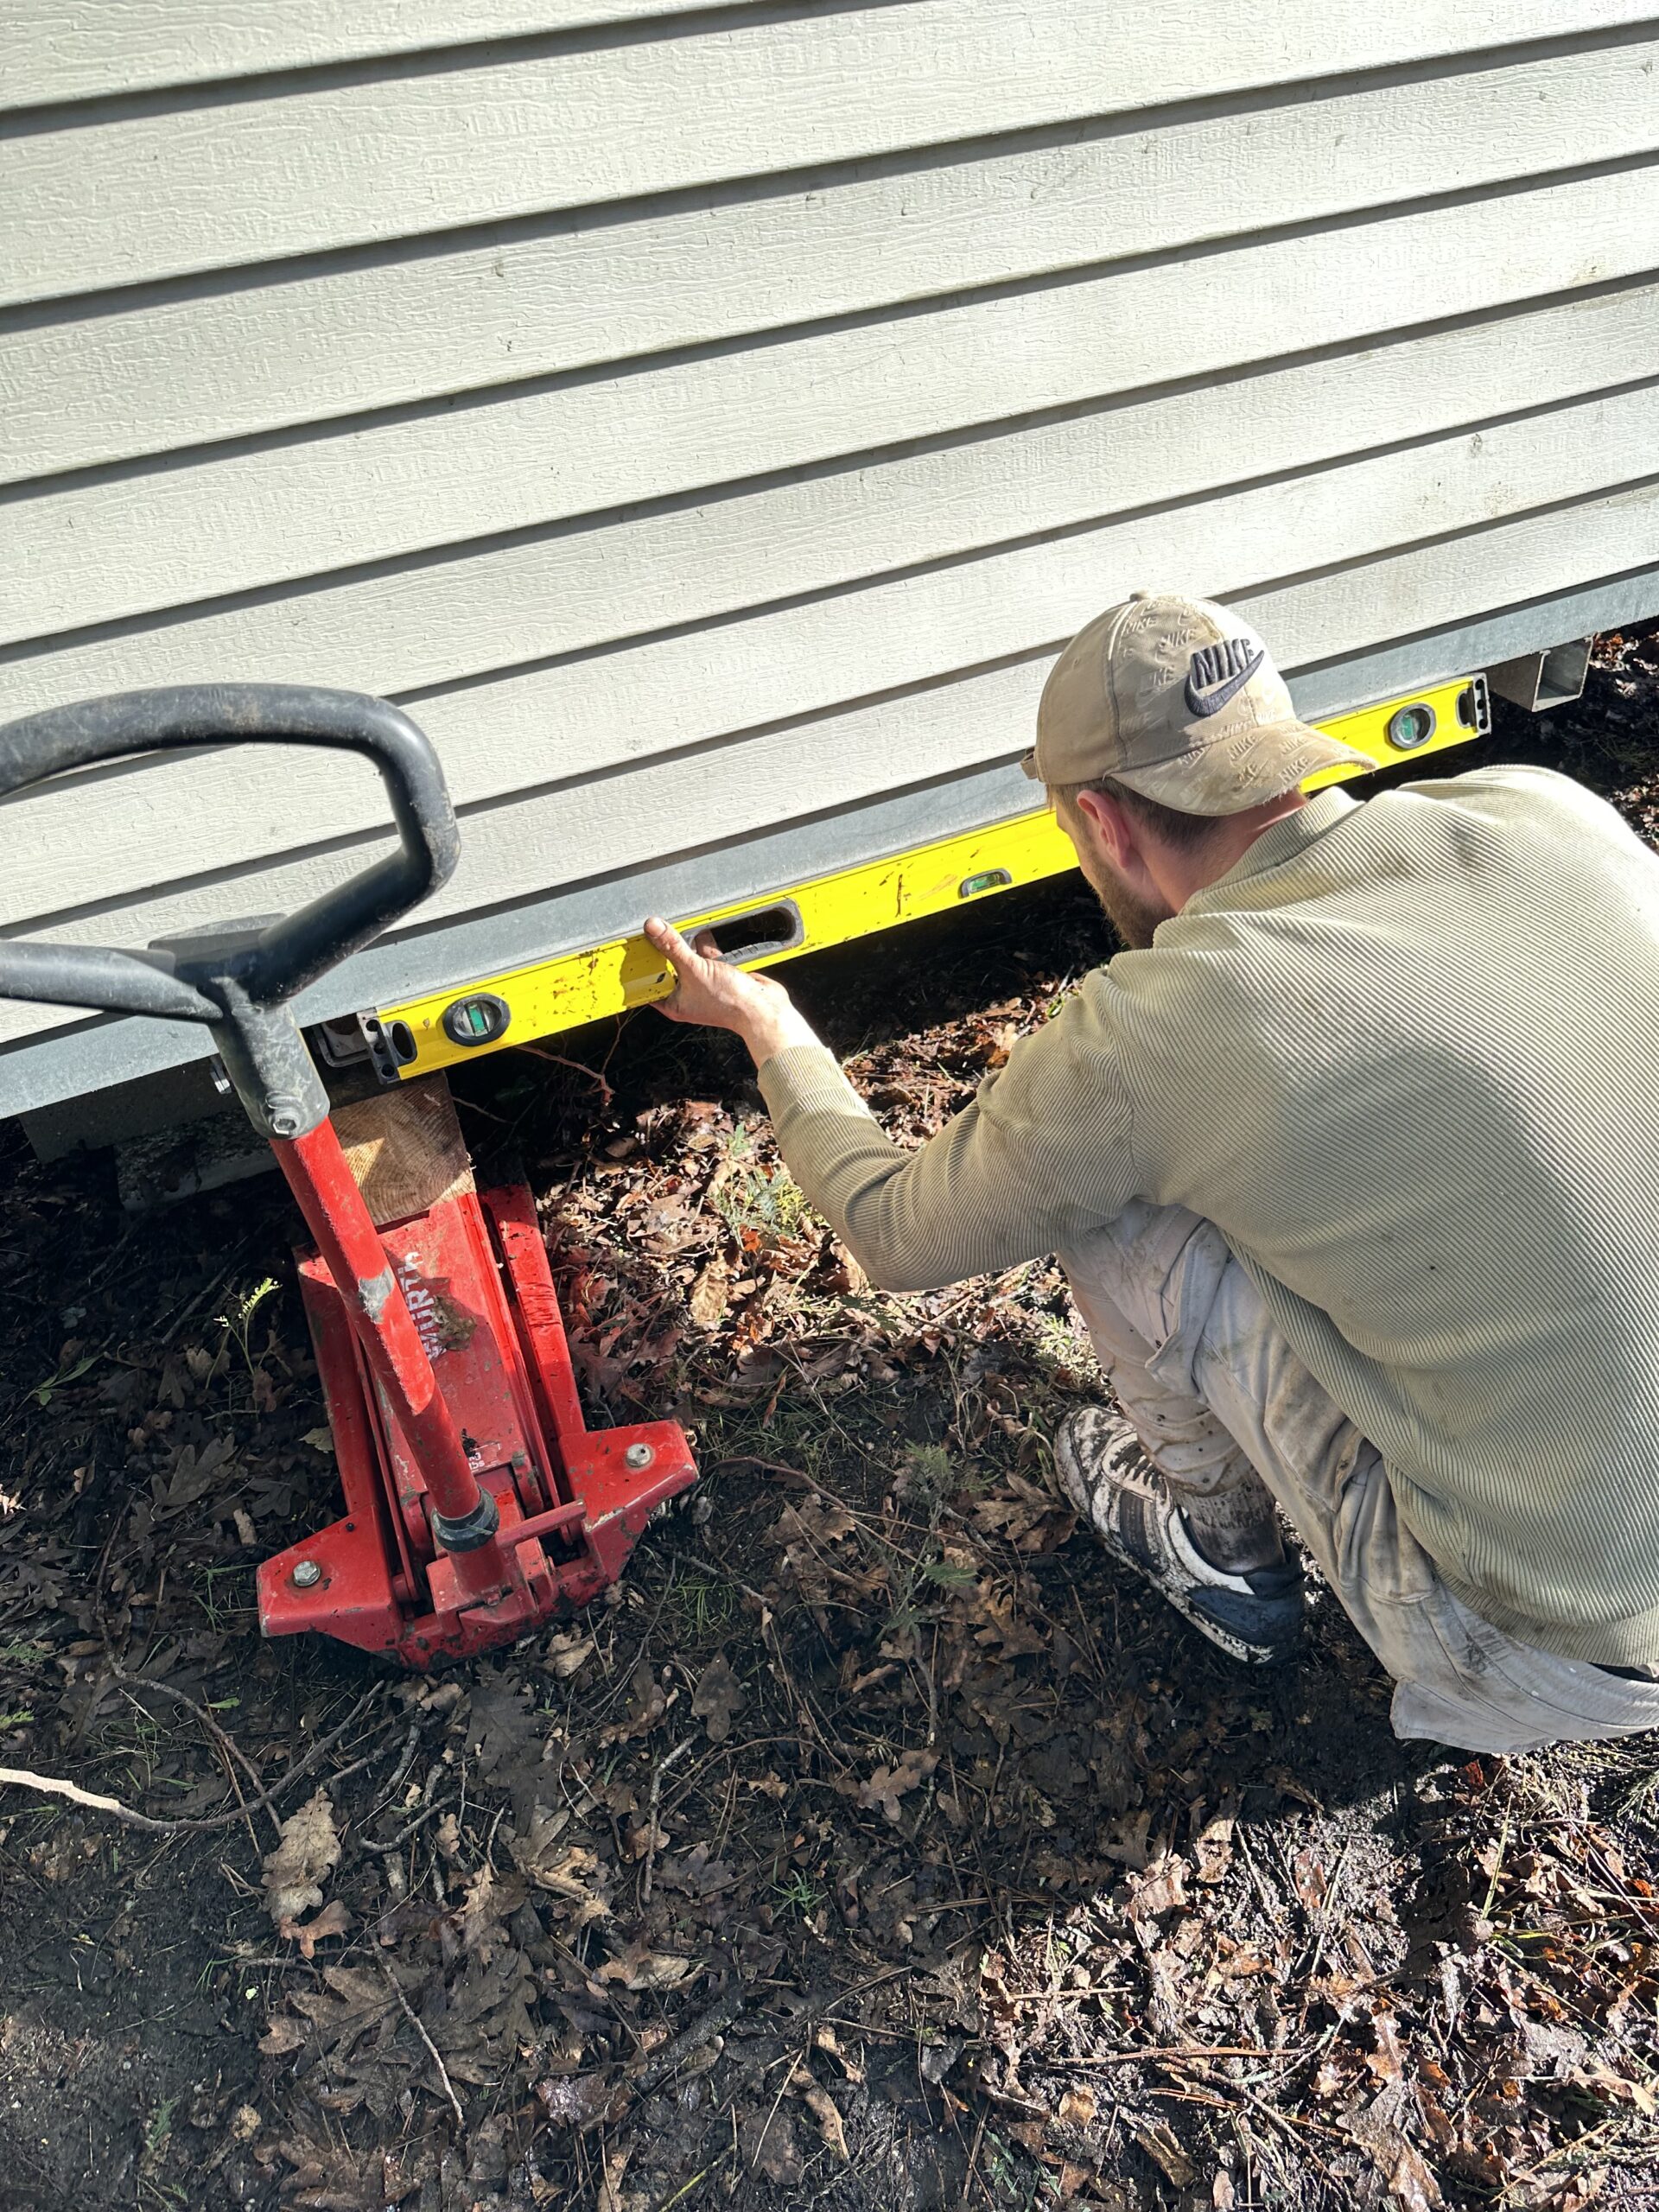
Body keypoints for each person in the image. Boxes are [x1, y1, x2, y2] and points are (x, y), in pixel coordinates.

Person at [643, 592, 1659, 1757]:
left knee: (1121, 1213)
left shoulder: (1176, 1019)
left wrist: (770, 1031)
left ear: (1104, 826)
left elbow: (893, 1232)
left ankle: (1226, 1566)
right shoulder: (1543, 809)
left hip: (1552, 1648)